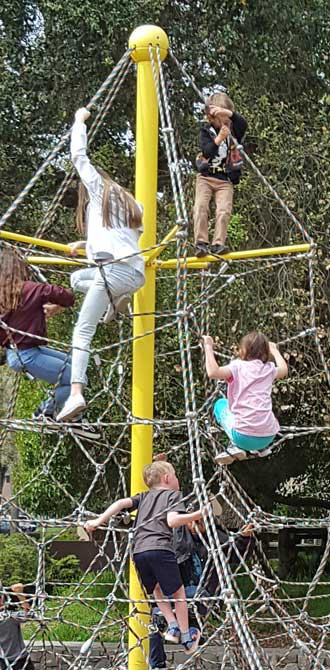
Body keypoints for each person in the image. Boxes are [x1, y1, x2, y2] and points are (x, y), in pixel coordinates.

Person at [57, 107, 145, 422]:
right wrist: (86, 246)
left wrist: (79, 121)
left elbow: (79, 156)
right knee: (76, 279)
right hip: (133, 275)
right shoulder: (135, 205)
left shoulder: (99, 190)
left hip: (113, 272)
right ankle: (117, 303)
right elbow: (122, 239)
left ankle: (76, 392)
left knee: (82, 331)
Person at [85, 461, 203, 654]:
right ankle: (186, 636)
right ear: (167, 478)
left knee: (156, 589)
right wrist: (197, 514)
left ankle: (172, 626)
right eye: (174, 474)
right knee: (179, 593)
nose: (177, 479)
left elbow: (121, 503)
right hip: (161, 548)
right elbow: (172, 521)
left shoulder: (144, 497)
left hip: (139, 551)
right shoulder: (172, 495)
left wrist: (98, 521)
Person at [149, 515, 255, 669]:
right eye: (193, 522)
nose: (197, 526)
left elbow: (236, 553)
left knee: (193, 597)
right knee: (155, 617)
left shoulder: (215, 539)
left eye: (200, 522)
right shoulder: (177, 540)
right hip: (179, 592)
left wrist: (245, 537)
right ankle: (157, 664)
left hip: (201, 594)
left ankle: (190, 632)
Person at [0, 246, 74, 420]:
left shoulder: (5, 296)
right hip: (27, 354)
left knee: (77, 364)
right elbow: (67, 296)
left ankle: (73, 418)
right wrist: (57, 305)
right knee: (75, 379)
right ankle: (44, 411)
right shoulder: (32, 289)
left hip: (19, 352)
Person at [202, 332, 288, 464]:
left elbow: (213, 372)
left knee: (220, 405)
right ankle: (257, 449)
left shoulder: (237, 367)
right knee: (255, 415)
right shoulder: (268, 369)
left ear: (243, 350)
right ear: (266, 353)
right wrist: (275, 351)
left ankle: (234, 446)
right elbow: (284, 370)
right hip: (269, 436)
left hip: (243, 437)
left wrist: (208, 347)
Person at [194, 91, 248, 257]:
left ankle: (219, 242)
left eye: (227, 117)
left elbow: (243, 124)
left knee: (223, 210)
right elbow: (207, 151)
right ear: (212, 117)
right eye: (221, 117)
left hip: (224, 179)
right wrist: (219, 139)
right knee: (201, 207)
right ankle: (201, 242)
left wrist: (228, 113)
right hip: (206, 177)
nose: (225, 121)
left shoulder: (233, 131)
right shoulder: (206, 131)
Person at [0, 582, 34, 670]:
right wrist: (20, 594)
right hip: (20, 660)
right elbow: (31, 614)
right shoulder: (10, 618)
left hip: (4, 661)